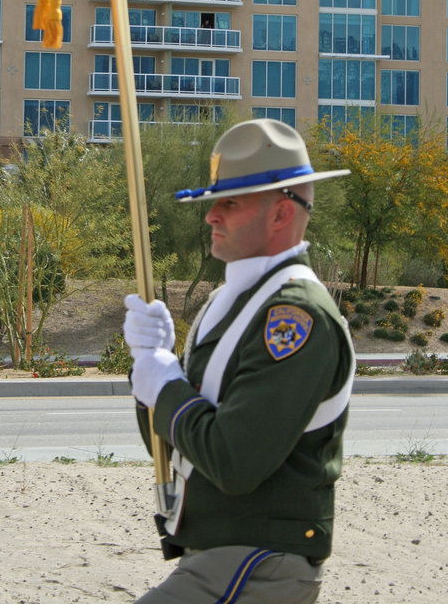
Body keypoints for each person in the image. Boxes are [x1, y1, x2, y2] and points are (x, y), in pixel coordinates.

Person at [123, 118, 355, 603]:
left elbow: (233, 462)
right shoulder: (231, 305)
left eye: (231, 202)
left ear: (279, 215)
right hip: (219, 556)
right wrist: (148, 369)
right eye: (214, 202)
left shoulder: (295, 318)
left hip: (259, 562)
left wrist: (166, 386)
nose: (212, 216)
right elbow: (175, 450)